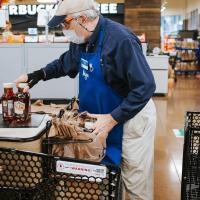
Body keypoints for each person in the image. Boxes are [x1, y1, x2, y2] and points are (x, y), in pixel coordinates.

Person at [15, 0, 157, 199]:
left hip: (131, 116)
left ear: (82, 19)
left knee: (134, 178)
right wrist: (38, 74)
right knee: (106, 174)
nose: (64, 29)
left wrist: (113, 118)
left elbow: (145, 87)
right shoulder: (81, 40)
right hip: (102, 118)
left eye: (65, 23)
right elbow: (66, 63)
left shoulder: (121, 40)